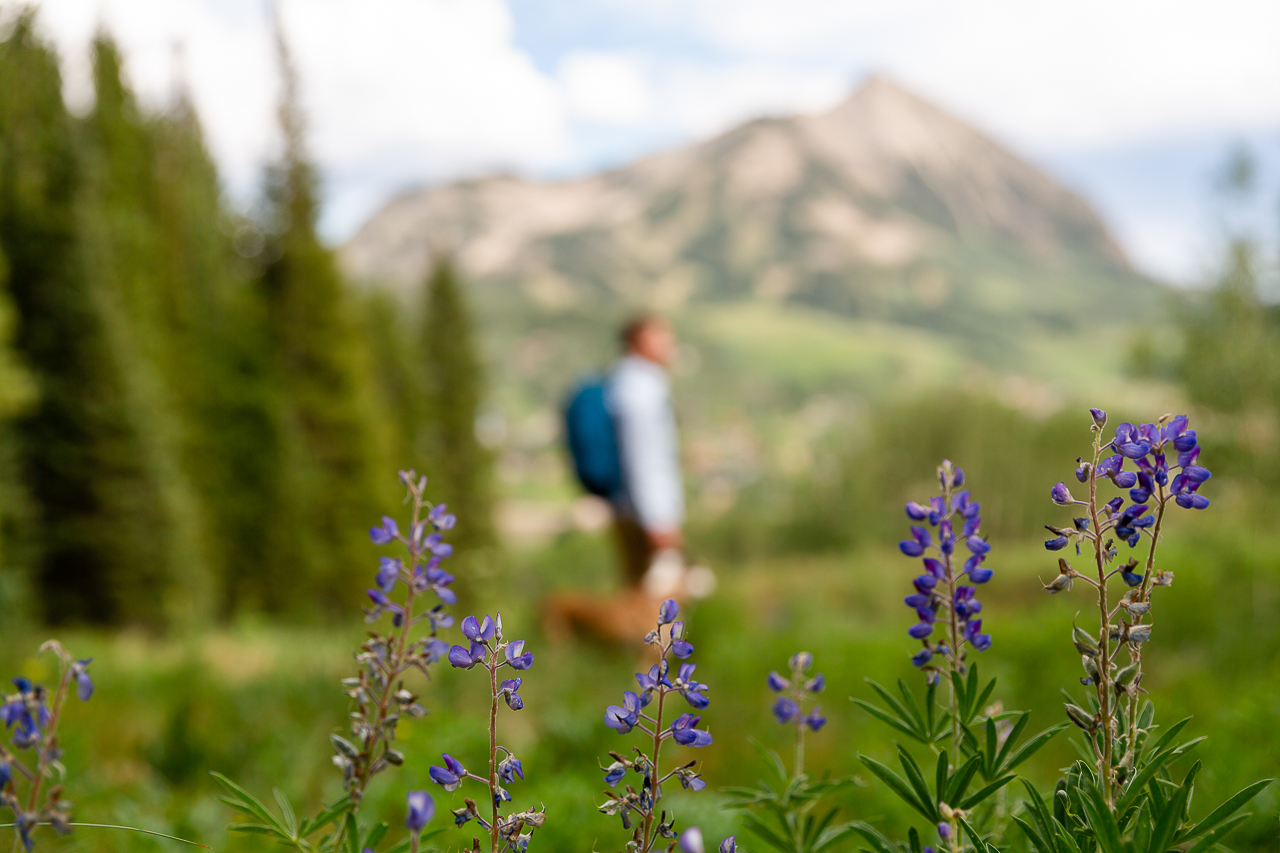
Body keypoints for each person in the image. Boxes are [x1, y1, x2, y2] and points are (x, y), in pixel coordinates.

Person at [607, 315, 684, 591]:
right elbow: (642, 457)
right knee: (652, 601)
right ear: (639, 340)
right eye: (661, 336)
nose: (670, 343)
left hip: (634, 508)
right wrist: (658, 519)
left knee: (643, 587)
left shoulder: (631, 382)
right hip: (645, 512)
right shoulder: (639, 389)